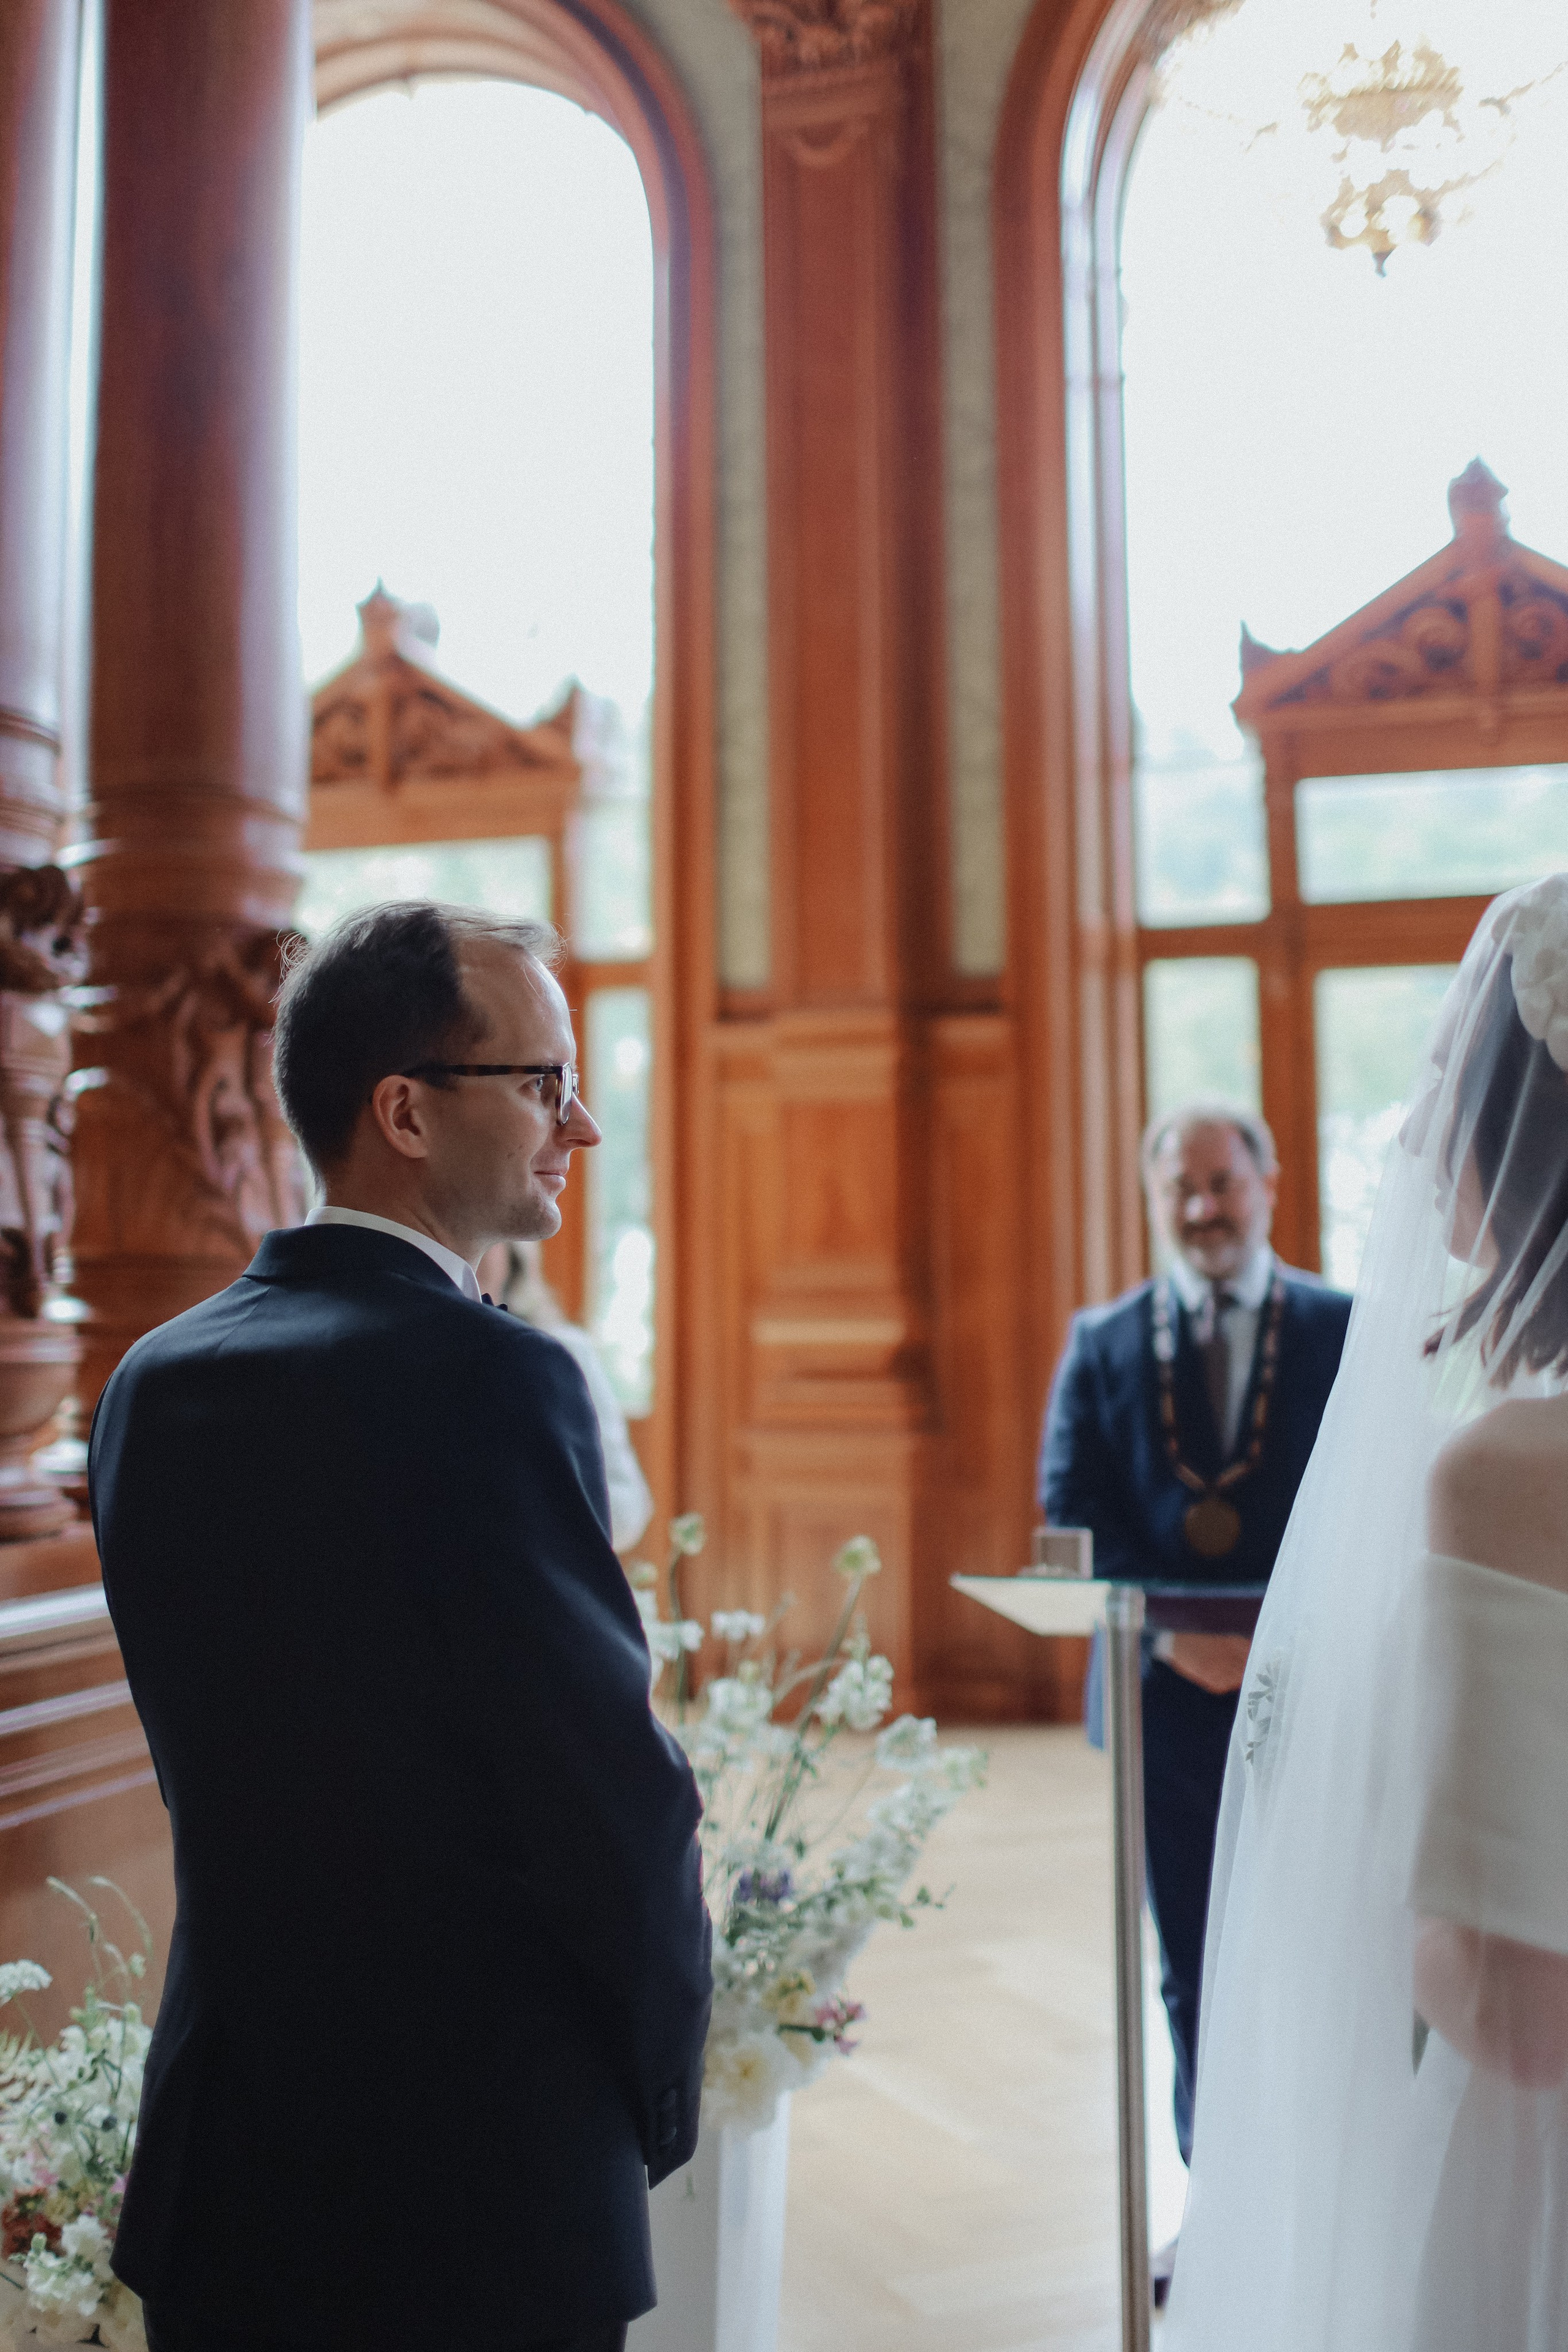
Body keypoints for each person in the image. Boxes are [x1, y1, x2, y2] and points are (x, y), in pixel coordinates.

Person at [89, 903, 712, 2352]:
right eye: (545, 1082)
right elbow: (608, 1802)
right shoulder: (499, 1377)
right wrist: (658, 2082)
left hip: (229, 2156)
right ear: (405, 1112)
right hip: (479, 2173)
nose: (583, 1126)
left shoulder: (147, 1384)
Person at [1165, 873, 1568, 2351]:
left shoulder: (1510, 1468)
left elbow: (1522, 2015)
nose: (1412, 1136)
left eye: (1438, 1086)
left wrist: (1359, 1886)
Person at [1039, 1104, 1351, 2198]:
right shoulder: (1104, 1342)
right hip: (1161, 1700)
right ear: (1155, 1198)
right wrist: (1182, 1638)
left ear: (1270, 1183)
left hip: (1314, 1692)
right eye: (1183, 1188)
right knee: (1192, 1958)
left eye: (1224, 1182)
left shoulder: (1343, 1326)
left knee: (1320, 1947)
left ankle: (1312, 2197)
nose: (1205, 1208)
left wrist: (1265, 1642)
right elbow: (1072, 1511)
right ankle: (1217, 2201)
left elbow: (1363, 1504)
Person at [479, 1238, 654, 1551]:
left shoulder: (566, 1350)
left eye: (488, 1242)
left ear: (515, 1256)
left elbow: (627, 1507)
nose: (472, 1259)